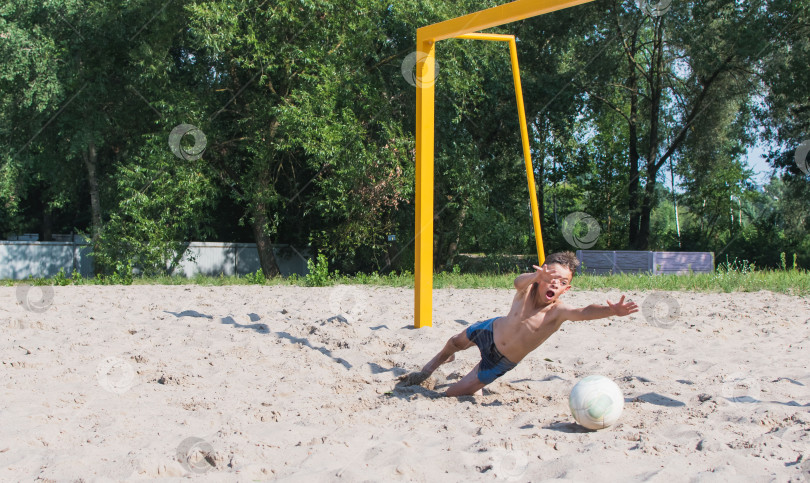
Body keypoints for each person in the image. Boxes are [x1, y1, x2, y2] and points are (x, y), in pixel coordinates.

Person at [415, 251, 639, 396]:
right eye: (550, 278)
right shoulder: (528, 288)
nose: (555, 284)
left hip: (499, 362)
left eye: (562, 282)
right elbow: (517, 282)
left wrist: (611, 310)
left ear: (566, 288)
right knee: (454, 341)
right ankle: (435, 363)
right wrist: (535, 277)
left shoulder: (558, 311)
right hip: (490, 330)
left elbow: (583, 311)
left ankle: (468, 386)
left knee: (451, 395)